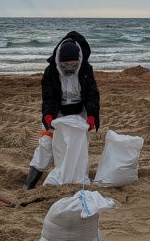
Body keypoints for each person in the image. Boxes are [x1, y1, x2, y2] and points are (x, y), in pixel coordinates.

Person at [23, 31, 100, 190]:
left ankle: (76, 182)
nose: (69, 69)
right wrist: (49, 116)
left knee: (77, 147)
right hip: (57, 112)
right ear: (59, 61)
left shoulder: (86, 69)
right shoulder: (50, 71)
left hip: (80, 113)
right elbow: (48, 96)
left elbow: (92, 94)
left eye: (73, 65)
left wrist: (92, 116)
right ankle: (28, 185)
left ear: (78, 61)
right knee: (46, 145)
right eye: (65, 66)